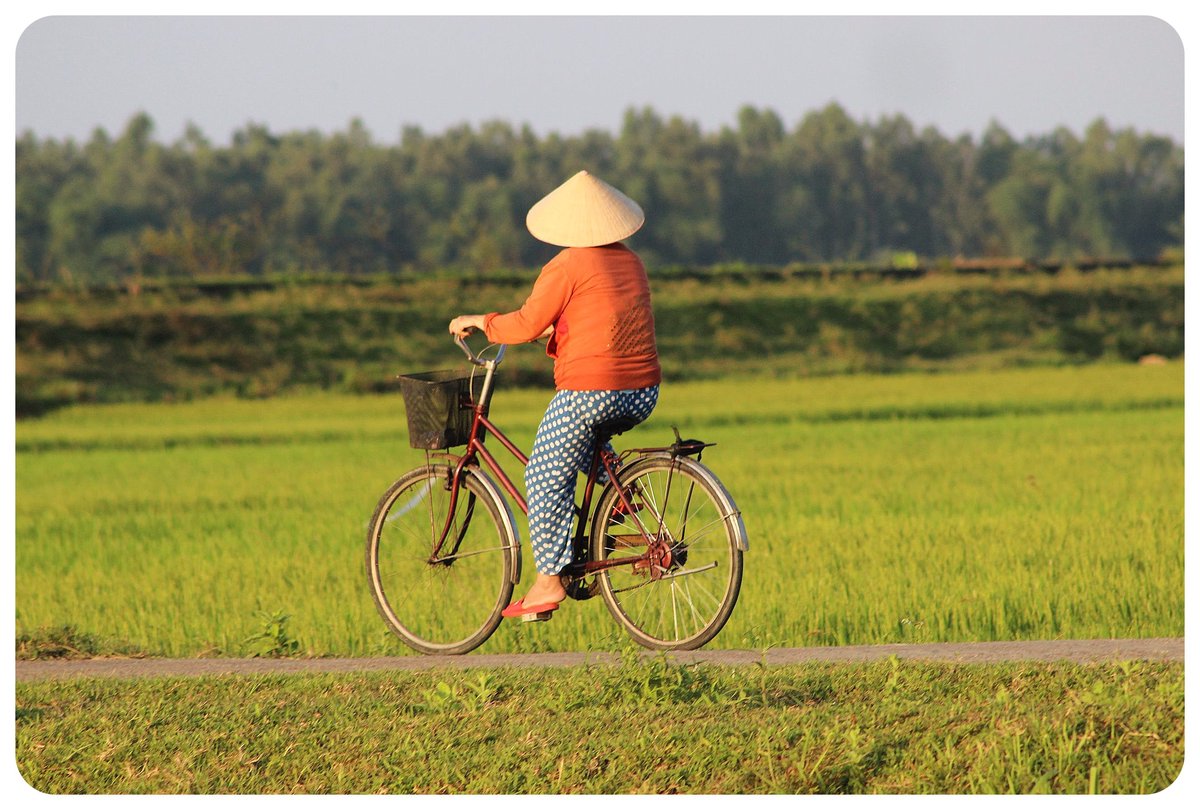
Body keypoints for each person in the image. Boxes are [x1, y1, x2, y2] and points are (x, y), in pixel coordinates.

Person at [449, 170, 661, 619]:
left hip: (593, 390)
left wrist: (480, 320)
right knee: (582, 443)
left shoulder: (567, 265)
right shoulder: (631, 262)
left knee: (544, 473)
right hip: (642, 390)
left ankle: (548, 584)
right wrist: (558, 329)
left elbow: (524, 323)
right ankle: (619, 499)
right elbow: (605, 317)